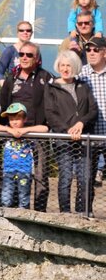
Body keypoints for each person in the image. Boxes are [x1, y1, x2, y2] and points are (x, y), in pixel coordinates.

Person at [0, 41, 52, 211]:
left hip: (37, 133)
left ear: (37, 58)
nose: (25, 58)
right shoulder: (11, 79)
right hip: (14, 134)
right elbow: (3, 104)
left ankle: (39, 211)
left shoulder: (45, 77)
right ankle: (12, 208)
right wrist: (7, 128)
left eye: (29, 55)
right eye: (21, 54)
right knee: (12, 172)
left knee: (40, 174)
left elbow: (51, 104)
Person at [44, 50, 98, 213]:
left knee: (85, 178)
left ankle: (83, 211)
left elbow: (93, 110)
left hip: (84, 137)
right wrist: (67, 130)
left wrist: (81, 123)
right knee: (65, 177)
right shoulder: (52, 87)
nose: (65, 68)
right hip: (63, 138)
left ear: (74, 67)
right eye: (62, 65)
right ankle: (64, 213)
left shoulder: (83, 86)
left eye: (68, 65)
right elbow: (50, 113)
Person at [0, 103, 48, 209]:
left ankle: (23, 215)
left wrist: (25, 130)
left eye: (17, 118)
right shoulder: (7, 132)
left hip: (25, 171)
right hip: (8, 171)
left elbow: (44, 128)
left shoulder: (29, 134)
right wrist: (8, 130)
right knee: (6, 197)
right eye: (11, 119)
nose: (14, 122)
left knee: (24, 197)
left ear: (24, 119)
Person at [79, 37, 106, 187]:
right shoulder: (80, 74)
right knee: (86, 182)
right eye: (88, 49)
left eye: (96, 49)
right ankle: (85, 210)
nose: (91, 53)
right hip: (89, 136)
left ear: (105, 53)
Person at [0, 21, 36, 86]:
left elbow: (39, 73)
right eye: (21, 30)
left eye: (28, 30)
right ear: (17, 33)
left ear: (32, 33)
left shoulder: (35, 52)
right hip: (14, 90)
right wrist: (6, 88)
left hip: (31, 91)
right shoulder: (10, 51)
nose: (25, 32)